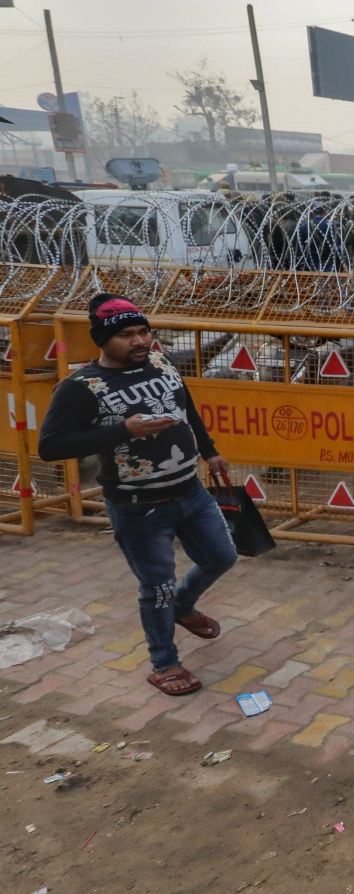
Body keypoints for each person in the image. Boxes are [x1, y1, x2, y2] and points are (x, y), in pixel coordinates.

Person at [37, 294, 236, 696]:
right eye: (126, 335)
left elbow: (186, 407)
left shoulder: (161, 362)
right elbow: (51, 447)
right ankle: (164, 662)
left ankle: (184, 606)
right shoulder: (79, 387)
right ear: (102, 340)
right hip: (139, 508)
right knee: (156, 587)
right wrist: (123, 430)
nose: (139, 341)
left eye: (143, 331)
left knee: (222, 556)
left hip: (191, 492)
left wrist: (210, 450)